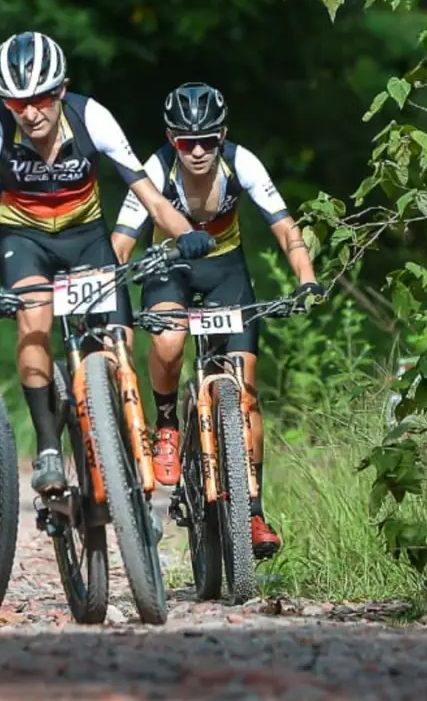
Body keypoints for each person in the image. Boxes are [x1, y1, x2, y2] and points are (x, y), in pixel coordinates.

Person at [0, 31, 215, 498]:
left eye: (42, 98)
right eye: (16, 102)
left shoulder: (93, 118)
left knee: (118, 346)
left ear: (61, 90)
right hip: (25, 240)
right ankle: (48, 446)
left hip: (87, 240)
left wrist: (187, 234)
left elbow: (150, 197)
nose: (30, 112)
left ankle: (122, 434)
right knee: (34, 320)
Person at [110, 82, 325, 559]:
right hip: (170, 270)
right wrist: (108, 286)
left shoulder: (241, 162)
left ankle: (252, 509)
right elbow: (122, 240)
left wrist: (307, 279)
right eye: (188, 142)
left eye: (209, 139)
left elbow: (284, 226)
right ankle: (166, 421)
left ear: (222, 135)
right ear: (171, 139)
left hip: (227, 269)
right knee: (168, 342)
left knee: (246, 392)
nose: (200, 150)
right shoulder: (155, 170)